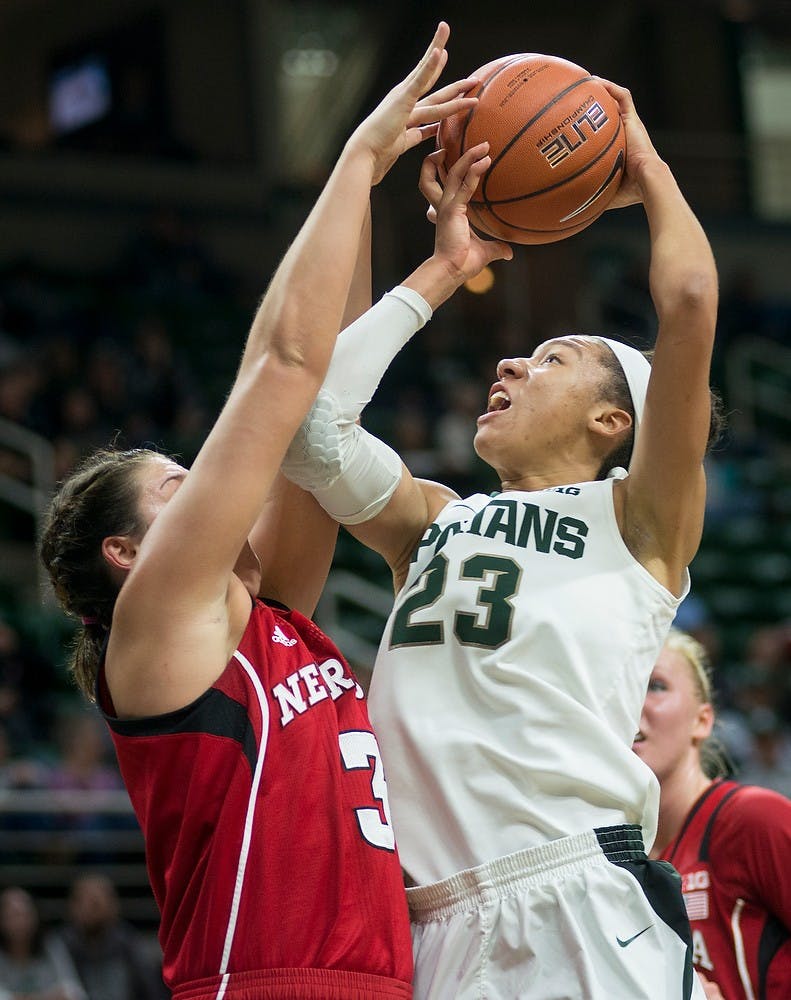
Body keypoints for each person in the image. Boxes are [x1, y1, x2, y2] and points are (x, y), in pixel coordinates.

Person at [37, 22, 491, 1000]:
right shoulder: (159, 624)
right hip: (262, 983)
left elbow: (318, 406)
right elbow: (281, 368)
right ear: (125, 552)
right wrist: (357, 159)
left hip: (378, 978)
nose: (209, 487)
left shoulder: (274, 613)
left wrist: (439, 268)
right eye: (177, 486)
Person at [281, 79, 720, 999]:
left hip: (575, 896)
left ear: (612, 420)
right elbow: (307, 431)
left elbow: (684, 298)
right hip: (428, 916)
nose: (513, 361)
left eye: (553, 359)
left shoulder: (638, 522)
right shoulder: (437, 519)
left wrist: (643, 164)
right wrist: (441, 271)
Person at [634, 628, 791, 999]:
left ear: (703, 720)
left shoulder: (755, 819)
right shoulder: (609, 857)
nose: (633, 703)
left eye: (655, 685)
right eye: (626, 685)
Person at [54, 874, 166, 1000]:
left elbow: (151, 991)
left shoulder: (129, 944)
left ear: (114, 906)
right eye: (86, 901)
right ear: (72, 906)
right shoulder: (60, 947)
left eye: (96, 903)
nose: (91, 910)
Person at [0, 886, 86, 1000]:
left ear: (35, 916)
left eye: (25, 915)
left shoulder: (51, 945)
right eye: (12, 915)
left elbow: (73, 990)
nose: (20, 922)